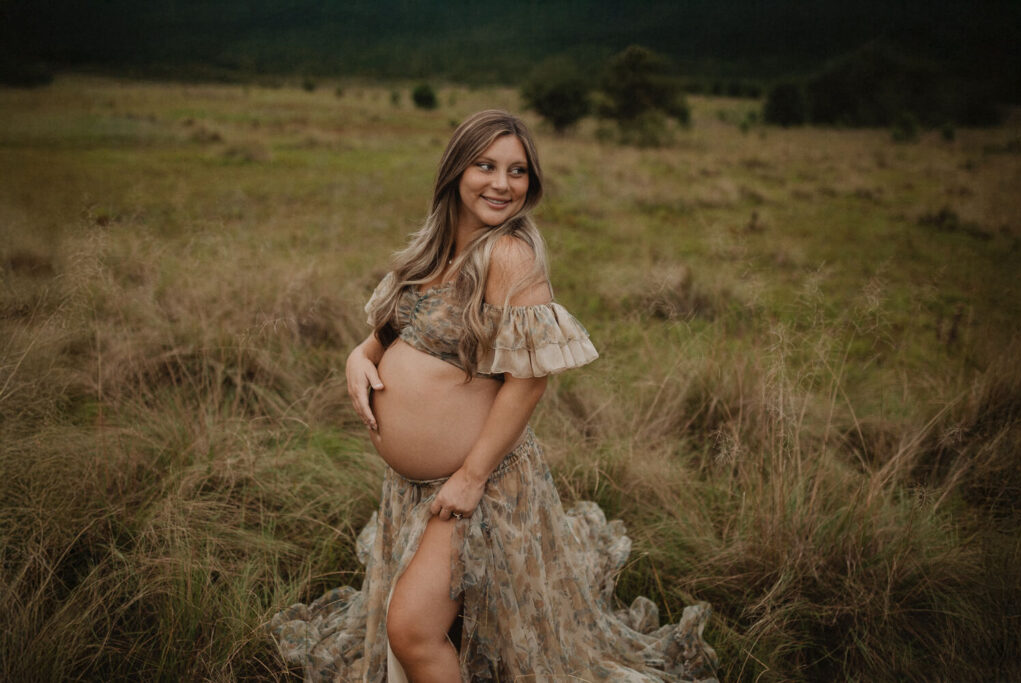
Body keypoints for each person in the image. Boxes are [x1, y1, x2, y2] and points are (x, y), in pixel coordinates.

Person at [270, 110, 718, 682]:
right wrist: (356, 360)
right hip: (411, 491)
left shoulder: (509, 257)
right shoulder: (431, 254)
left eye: (518, 171)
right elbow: (382, 338)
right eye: (486, 165)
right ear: (456, 169)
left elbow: (529, 379)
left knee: (411, 631)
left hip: (477, 490)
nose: (502, 184)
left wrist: (471, 477)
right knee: (437, 631)